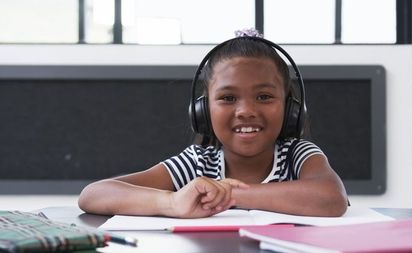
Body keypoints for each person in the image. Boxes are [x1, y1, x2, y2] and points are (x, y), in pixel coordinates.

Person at [78, 29, 348, 218]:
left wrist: (230, 194)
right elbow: (94, 194)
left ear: (291, 109)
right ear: (203, 111)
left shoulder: (298, 155)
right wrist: (171, 202)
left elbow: (331, 198)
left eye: (264, 97)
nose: (245, 111)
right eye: (228, 97)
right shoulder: (197, 164)